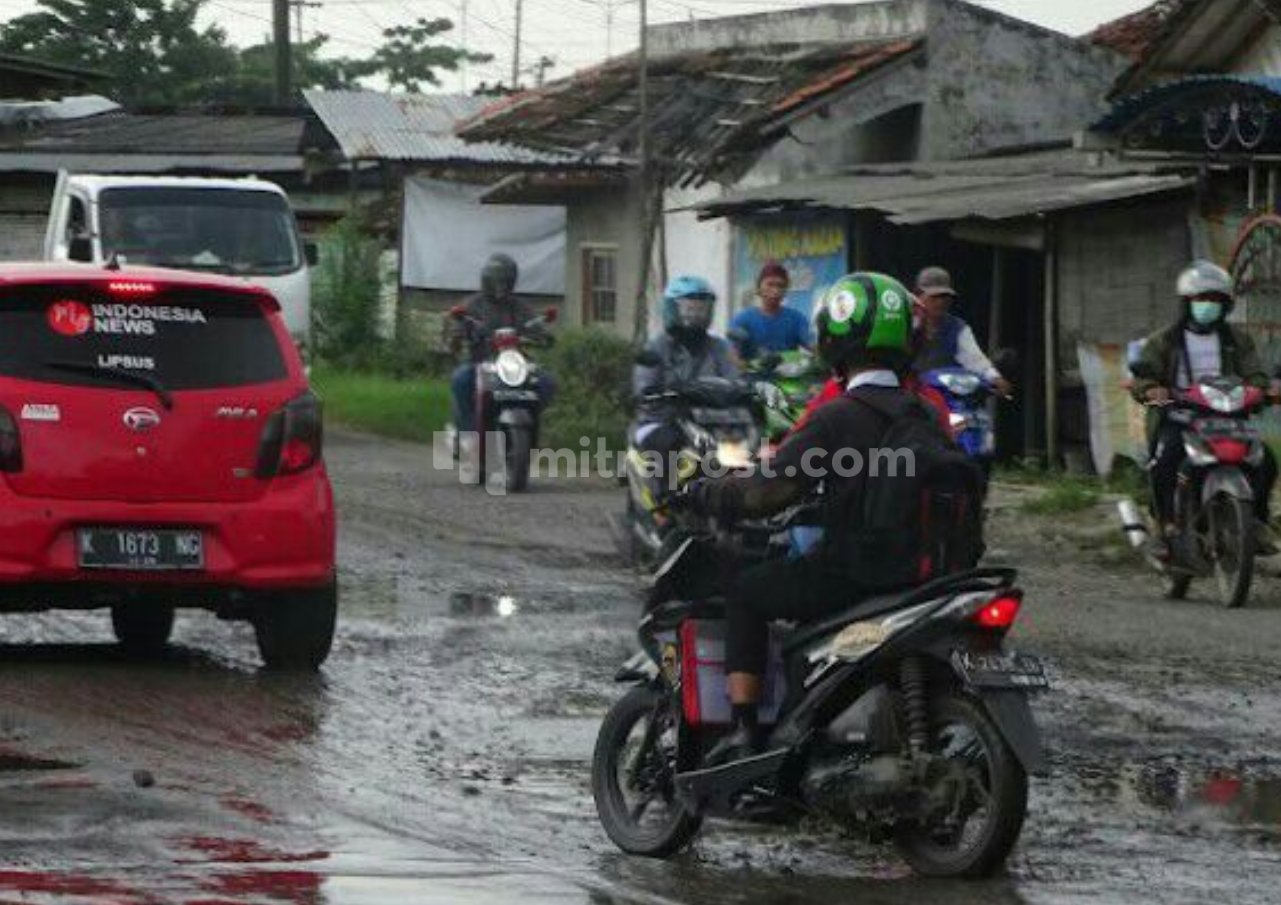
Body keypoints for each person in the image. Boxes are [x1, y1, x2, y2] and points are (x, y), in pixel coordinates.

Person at [684, 272, 939, 766]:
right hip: (925, 575)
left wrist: (708, 494)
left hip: (857, 575)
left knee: (748, 589)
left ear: (834, 338)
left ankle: (743, 735)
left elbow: (766, 493)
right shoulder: (928, 415)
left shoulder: (837, 416)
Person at [1130, 260, 1277, 545]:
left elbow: (1255, 374)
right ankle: (1165, 524)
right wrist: (1151, 390)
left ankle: (1256, 521)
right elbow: (1143, 377)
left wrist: (1261, 391)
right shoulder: (1164, 341)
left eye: (1216, 299)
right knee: (1165, 463)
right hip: (1180, 416)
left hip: (1228, 416)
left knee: (1265, 462)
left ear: (1226, 305)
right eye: (1202, 299)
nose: (1209, 305)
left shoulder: (1238, 340)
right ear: (1187, 302)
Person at [633, 276, 740, 467]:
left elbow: (735, 379)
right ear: (672, 309)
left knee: (747, 445)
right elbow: (644, 387)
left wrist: (744, 390)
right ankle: (666, 496)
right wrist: (659, 394)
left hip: (710, 421)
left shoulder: (721, 347)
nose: (696, 315)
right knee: (669, 444)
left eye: (701, 308)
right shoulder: (656, 348)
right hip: (662, 421)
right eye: (689, 308)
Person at [448, 254, 554, 435]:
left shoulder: (519, 306)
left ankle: (530, 426)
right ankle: (467, 431)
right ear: (486, 280)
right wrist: (460, 335)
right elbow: (458, 329)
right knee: (461, 379)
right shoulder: (474, 304)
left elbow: (533, 325)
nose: (501, 287)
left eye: (505, 282)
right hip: (480, 361)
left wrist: (543, 336)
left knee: (546, 382)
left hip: (514, 365)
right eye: (496, 282)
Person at [913, 266, 1013, 397]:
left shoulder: (958, 328)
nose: (941, 302)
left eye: (945, 296)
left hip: (945, 398)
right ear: (918, 296)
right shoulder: (904, 322)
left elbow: (975, 360)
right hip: (910, 395)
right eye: (934, 296)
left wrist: (995, 378)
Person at [730, 261, 814, 360]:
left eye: (780, 286)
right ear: (759, 287)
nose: (775, 290)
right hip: (751, 375)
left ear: (786, 290)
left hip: (789, 374)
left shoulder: (797, 319)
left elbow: (813, 345)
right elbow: (732, 355)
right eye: (770, 285)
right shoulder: (742, 319)